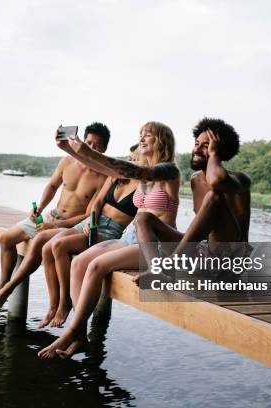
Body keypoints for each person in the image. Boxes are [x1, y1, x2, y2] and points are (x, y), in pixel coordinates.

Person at [38, 121, 180, 359]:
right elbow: (107, 168)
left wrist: (85, 150)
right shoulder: (141, 173)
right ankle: (81, 334)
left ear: (162, 141)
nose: (142, 139)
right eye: (140, 135)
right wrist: (69, 149)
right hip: (129, 238)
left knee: (96, 266)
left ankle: (70, 331)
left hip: (154, 245)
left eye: (148, 135)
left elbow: (133, 170)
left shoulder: (169, 171)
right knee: (79, 263)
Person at [0, 123, 111, 310]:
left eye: (97, 146)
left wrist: (57, 226)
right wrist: (40, 208)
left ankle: (56, 302)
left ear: (104, 149)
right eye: (89, 143)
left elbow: (88, 214)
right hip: (51, 216)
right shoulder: (67, 162)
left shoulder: (104, 176)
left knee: (41, 246)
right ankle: (2, 284)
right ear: (82, 141)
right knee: (5, 239)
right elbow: (52, 186)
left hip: (70, 226)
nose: (91, 148)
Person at [134, 118, 251, 282]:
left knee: (214, 196)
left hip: (228, 262)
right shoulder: (196, 180)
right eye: (197, 143)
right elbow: (200, 233)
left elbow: (216, 181)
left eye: (206, 145)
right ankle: (157, 270)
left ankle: (169, 267)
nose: (197, 149)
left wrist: (214, 154)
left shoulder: (239, 179)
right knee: (143, 218)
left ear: (218, 151)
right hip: (201, 255)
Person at [38, 155, 139, 328]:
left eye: (134, 158)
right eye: (129, 157)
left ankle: (65, 303)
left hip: (110, 230)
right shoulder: (114, 177)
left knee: (59, 245)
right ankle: (53, 304)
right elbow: (97, 202)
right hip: (92, 222)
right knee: (47, 248)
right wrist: (92, 221)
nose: (129, 161)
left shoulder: (142, 185)